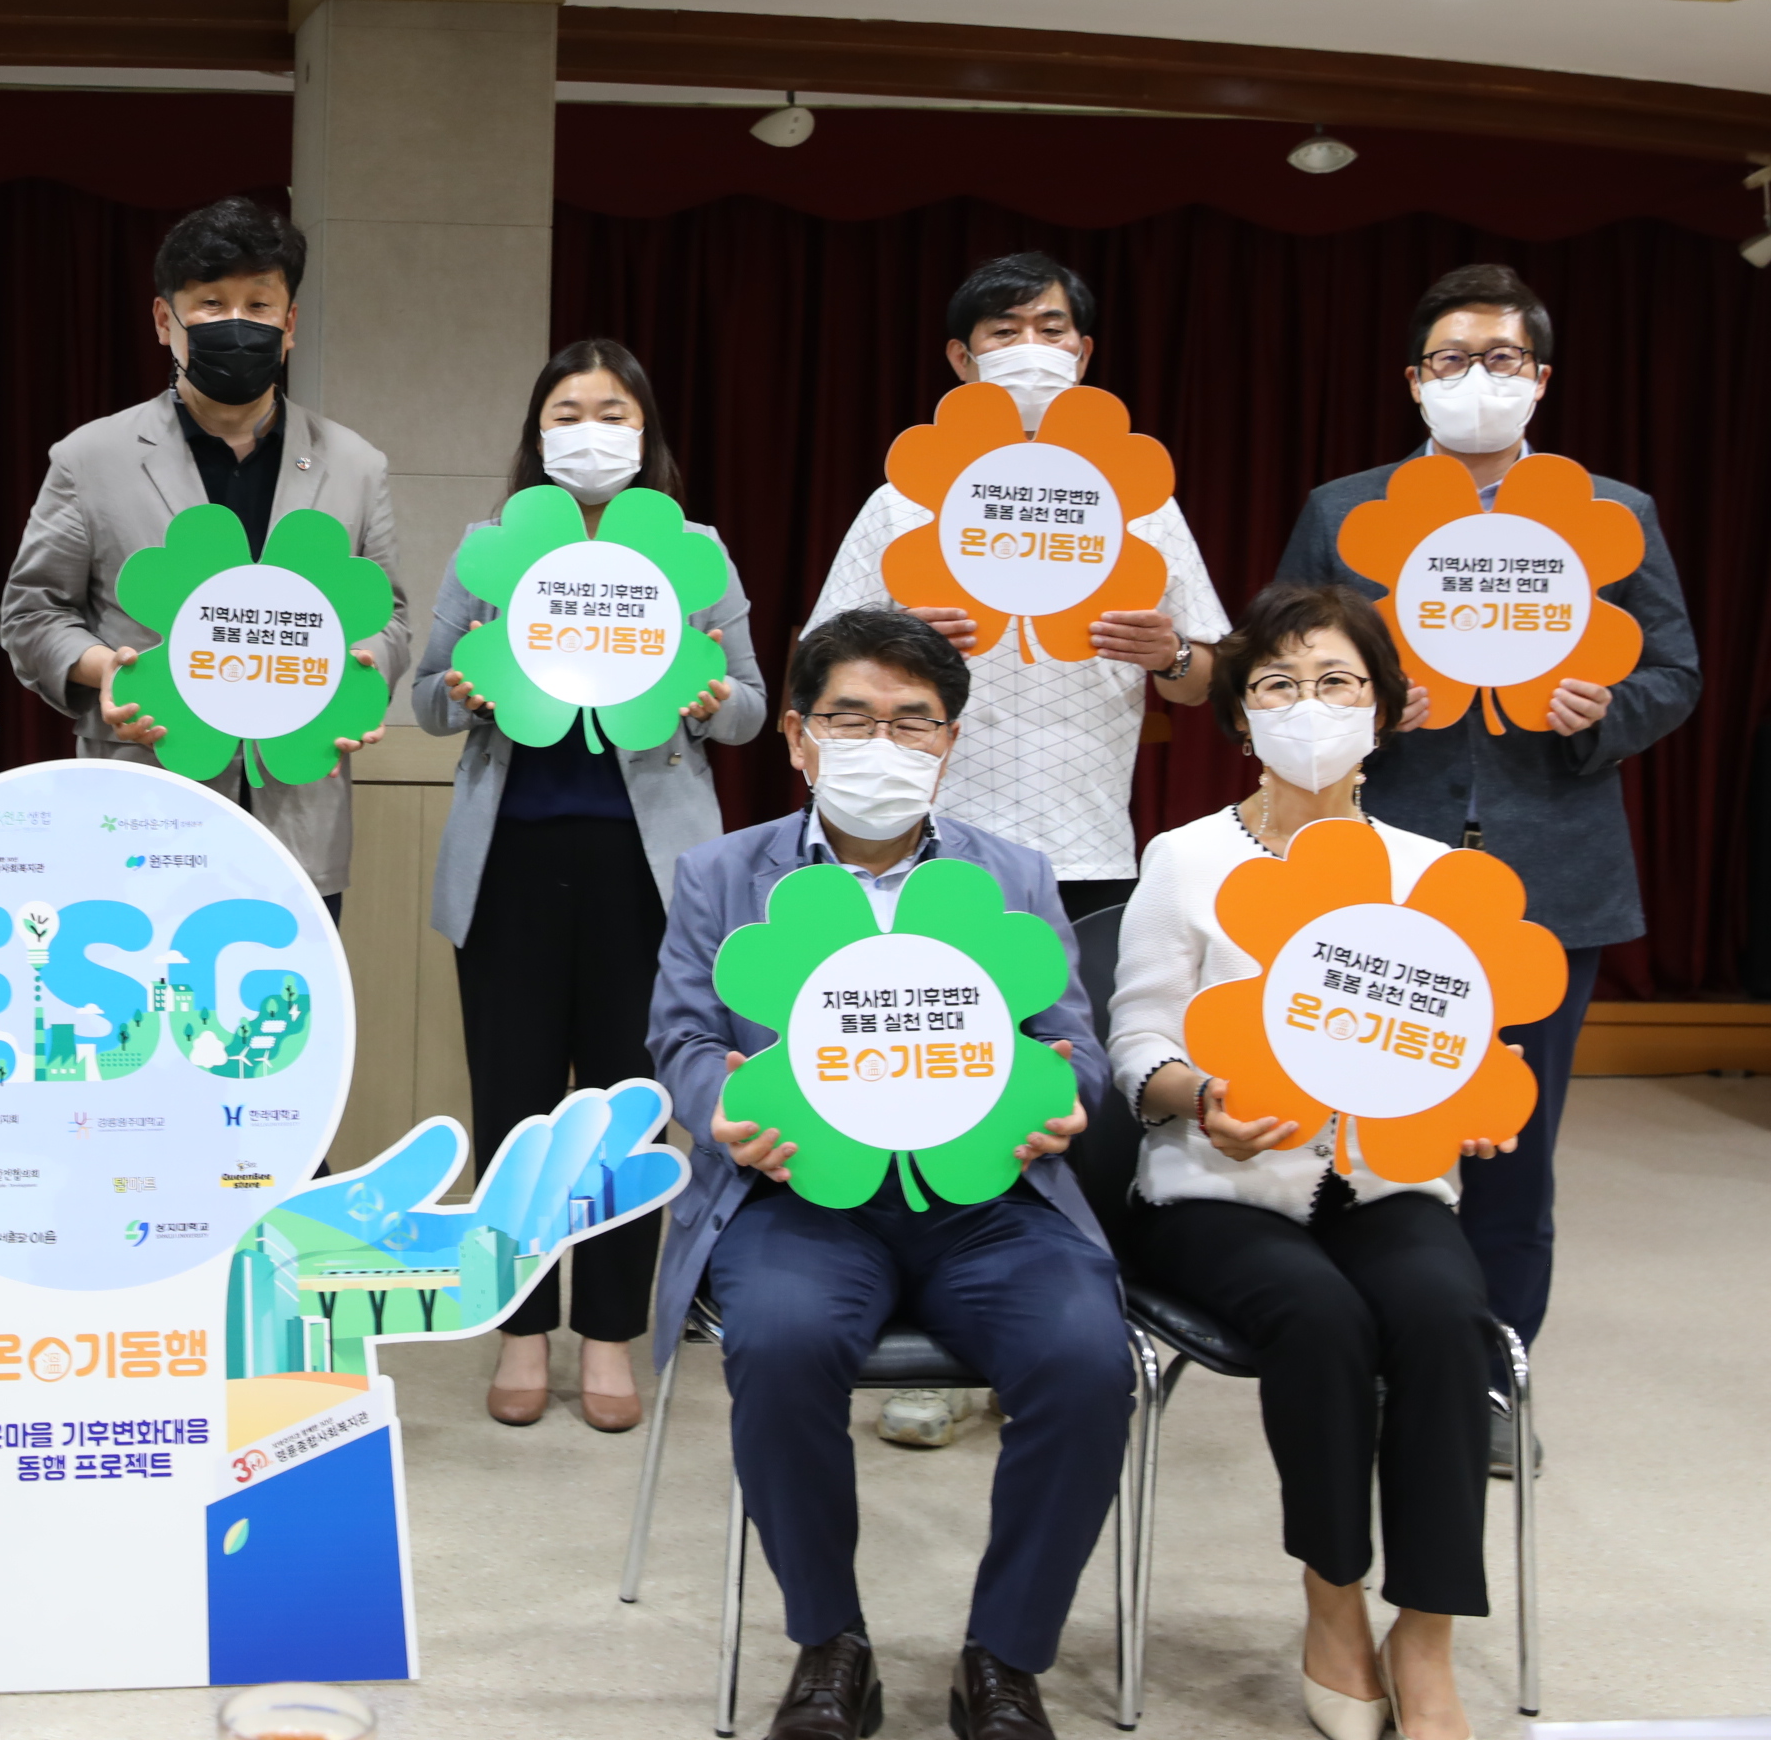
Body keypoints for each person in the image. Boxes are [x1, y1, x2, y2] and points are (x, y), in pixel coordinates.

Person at [647, 609, 1129, 1740]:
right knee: (781, 1343)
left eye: (914, 721)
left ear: (949, 742)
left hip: (989, 1205)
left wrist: (1069, 1091)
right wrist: (724, 1107)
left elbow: (1076, 1045)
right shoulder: (721, 873)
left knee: (1086, 1357)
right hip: (798, 1199)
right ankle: (831, 1644)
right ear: (798, 737)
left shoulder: (1012, 873)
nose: (883, 743)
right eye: (852, 717)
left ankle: (1005, 1655)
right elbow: (682, 1039)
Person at [803, 252, 1223, 1448]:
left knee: (1059, 1098)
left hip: (1086, 842)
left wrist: (1169, 651)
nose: (1029, 345)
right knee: (930, 1080)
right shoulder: (906, 496)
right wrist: (893, 633)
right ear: (960, 357)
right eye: (1002, 329)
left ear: (1085, 352)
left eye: (1051, 326)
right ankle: (937, 1341)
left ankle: (1042, 1333)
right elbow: (818, 656)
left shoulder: (1137, 498)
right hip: (929, 842)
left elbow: (1211, 674)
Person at [1276, 262, 1697, 1431]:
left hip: (1551, 870)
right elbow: (1281, 659)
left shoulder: (1613, 513)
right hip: (1378, 863)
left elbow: (1675, 670)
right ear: (1414, 379)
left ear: (1540, 378)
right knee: (1361, 1128)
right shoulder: (1345, 509)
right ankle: (1371, 1358)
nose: (1477, 378)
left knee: (1511, 1142)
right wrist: (1354, 702)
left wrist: (1604, 710)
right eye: (1451, 359)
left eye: (1501, 358)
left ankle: (1492, 1382)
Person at [1107, 585, 1513, 1740]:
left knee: (1444, 1315)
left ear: (1383, 711)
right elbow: (1136, 1042)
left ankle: (1425, 1632)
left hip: (1382, 1179)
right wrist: (1199, 1095)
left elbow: (1465, 1044)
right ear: (1241, 715)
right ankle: (1333, 1601)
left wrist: (1477, 1099)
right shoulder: (1186, 857)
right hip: (1219, 1184)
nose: (1310, 705)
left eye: (1338, 681)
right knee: (1319, 1318)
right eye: (1279, 683)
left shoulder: (1431, 871)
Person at [413, 339, 767, 1432]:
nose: (591, 431)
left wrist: (712, 701)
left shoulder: (694, 553)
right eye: (568, 412)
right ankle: (521, 1328)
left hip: (645, 873)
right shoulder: (489, 548)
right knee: (514, 1100)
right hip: (509, 863)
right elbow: (423, 697)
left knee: (630, 1102)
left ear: (645, 431)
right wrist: (467, 690)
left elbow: (754, 705)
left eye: (613, 412)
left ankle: (610, 1332)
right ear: (538, 432)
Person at [0, 195, 409, 911]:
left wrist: (364, 668)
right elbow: (33, 614)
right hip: (140, 809)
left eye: (259, 305)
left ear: (289, 324)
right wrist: (105, 670)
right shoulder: (90, 458)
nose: (237, 323)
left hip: (298, 815)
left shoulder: (355, 464)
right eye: (212, 304)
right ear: (166, 320)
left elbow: (391, 615)